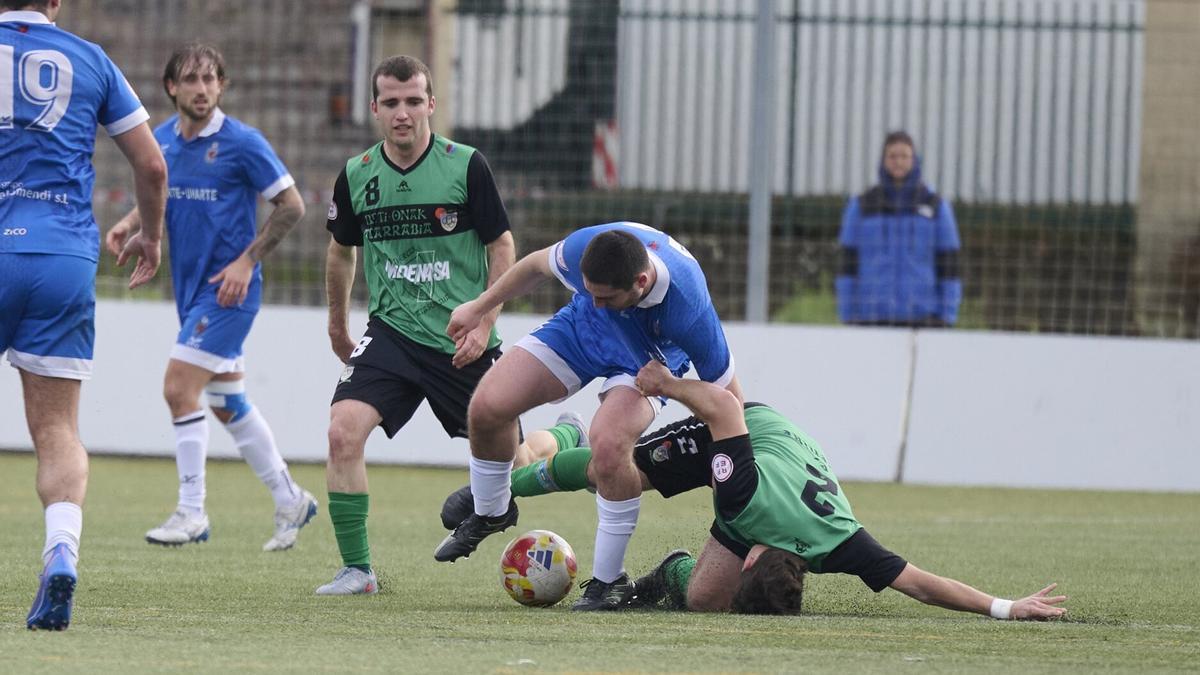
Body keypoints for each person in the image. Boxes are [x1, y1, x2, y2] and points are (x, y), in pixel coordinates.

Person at [442, 363, 1067, 620]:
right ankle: (523, 470)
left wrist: (1006, 609)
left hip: (773, 478)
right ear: (756, 554)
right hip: (746, 434)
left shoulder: (840, 545)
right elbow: (723, 408)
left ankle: (666, 571)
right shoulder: (741, 496)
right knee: (619, 470)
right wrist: (665, 382)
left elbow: (919, 581)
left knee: (708, 600)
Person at [436, 221, 742, 612]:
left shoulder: (689, 310)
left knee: (610, 444)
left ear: (641, 281)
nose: (596, 300)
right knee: (487, 406)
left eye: (606, 296)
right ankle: (491, 512)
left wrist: (744, 482)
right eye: (589, 291)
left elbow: (731, 402)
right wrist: (479, 309)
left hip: (647, 361)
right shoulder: (588, 253)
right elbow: (533, 267)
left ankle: (609, 582)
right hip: (582, 330)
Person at [105, 43, 317, 552]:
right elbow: (156, 191)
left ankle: (191, 512)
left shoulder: (243, 143)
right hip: (191, 291)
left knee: (179, 389)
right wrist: (132, 223)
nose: (202, 89)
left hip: (229, 292)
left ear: (221, 86)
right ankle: (290, 498)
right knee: (226, 401)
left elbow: (292, 205)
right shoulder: (163, 142)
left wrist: (248, 260)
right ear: (172, 87)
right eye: (191, 79)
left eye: (210, 80)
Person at [318, 55, 516, 595]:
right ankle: (357, 571)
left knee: (514, 462)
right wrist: (339, 324)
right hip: (391, 334)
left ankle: (563, 434)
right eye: (391, 103)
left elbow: (502, 247)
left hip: (461, 340)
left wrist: (484, 319)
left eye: (412, 101)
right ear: (374, 108)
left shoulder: (466, 165)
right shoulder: (357, 176)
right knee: (341, 433)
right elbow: (340, 253)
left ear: (430, 104)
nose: (402, 114)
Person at [1, 0, 167, 630]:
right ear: (57, 0)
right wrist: (151, 236)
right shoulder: (91, 59)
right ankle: (61, 550)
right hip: (62, 256)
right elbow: (151, 164)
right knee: (57, 430)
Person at [836, 130, 963, 327]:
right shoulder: (862, 205)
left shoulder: (935, 206)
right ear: (883, 160)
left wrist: (947, 316)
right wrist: (848, 314)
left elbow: (950, 264)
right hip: (870, 318)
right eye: (892, 156)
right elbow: (847, 264)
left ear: (914, 160)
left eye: (904, 156)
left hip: (923, 318)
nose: (898, 162)